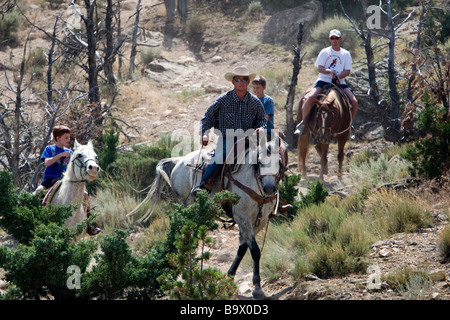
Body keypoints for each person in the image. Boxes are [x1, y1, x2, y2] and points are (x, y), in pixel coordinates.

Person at [191, 65, 267, 195]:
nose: (241, 82)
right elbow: (207, 118)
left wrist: (261, 128)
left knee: (268, 160)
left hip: (249, 141)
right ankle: (203, 187)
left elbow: (261, 120)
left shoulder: (255, 102)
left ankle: (272, 195)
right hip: (227, 141)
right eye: (238, 79)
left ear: (248, 82)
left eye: (244, 79)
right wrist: (204, 134)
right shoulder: (222, 100)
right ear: (233, 81)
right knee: (218, 159)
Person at [296, 29, 358, 135]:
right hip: (323, 81)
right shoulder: (325, 52)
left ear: (340, 39)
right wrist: (328, 71)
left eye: (336, 38)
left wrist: (338, 76)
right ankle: (304, 123)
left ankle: (349, 126)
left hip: (340, 83)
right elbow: (320, 68)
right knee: (310, 98)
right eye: (332, 38)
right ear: (329, 39)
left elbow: (347, 71)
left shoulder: (346, 53)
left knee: (354, 101)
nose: (334, 40)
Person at [35, 125, 73, 194]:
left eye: (69, 137)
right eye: (66, 138)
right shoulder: (49, 149)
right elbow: (47, 163)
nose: (68, 140)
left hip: (66, 180)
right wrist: (60, 155)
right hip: (50, 179)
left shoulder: (70, 152)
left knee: (84, 194)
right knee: (38, 191)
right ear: (58, 138)